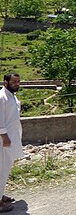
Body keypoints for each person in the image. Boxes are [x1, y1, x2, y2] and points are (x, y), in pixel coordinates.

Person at [0, 74, 23, 213]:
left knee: (5, 167)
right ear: (5, 82)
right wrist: (4, 136)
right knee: (1, 169)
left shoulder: (11, 95)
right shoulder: (1, 97)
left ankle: (1, 194)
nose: (17, 84)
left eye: (18, 81)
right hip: (3, 139)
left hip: (10, 137)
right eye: (14, 81)